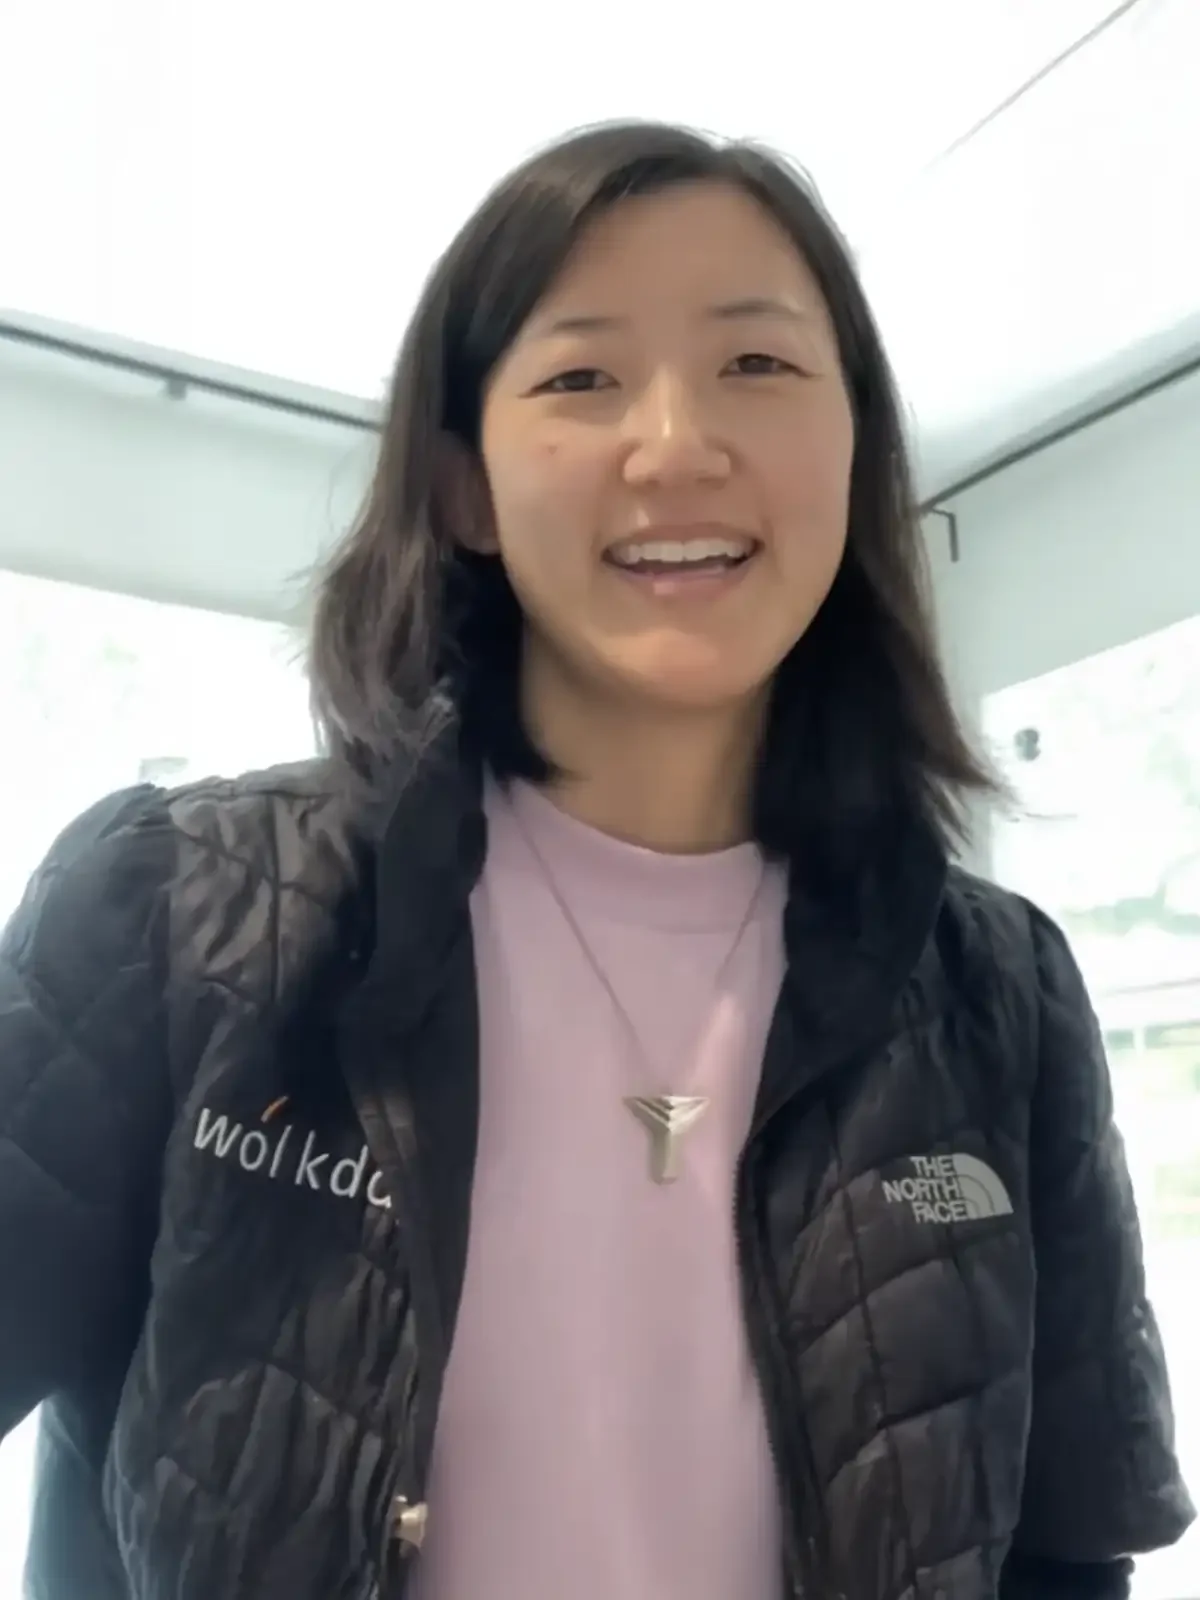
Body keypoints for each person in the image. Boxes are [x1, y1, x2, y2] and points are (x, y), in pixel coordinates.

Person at [0, 121, 1191, 1600]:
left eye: (757, 366)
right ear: (464, 490)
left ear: (854, 447)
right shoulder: (184, 907)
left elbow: (1067, 1549)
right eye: (580, 378)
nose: (678, 443)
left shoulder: (997, 989)